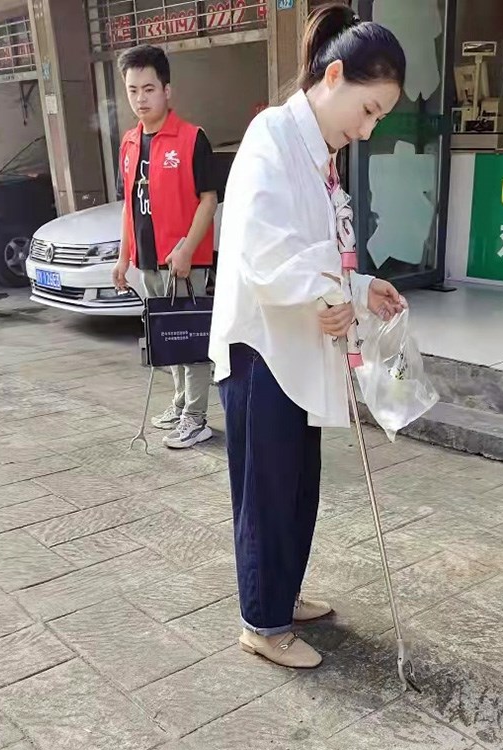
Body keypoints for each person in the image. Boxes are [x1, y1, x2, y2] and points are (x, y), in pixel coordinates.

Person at [210, 3, 406, 670]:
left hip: (295, 348)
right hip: (262, 348)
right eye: (369, 109)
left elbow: (322, 251)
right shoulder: (272, 134)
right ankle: (262, 623)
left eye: (379, 118)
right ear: (336, 76)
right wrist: (329, 295)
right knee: (267, 490)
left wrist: (359, 288)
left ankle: (283, 594)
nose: (368, 128)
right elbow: (262, 250)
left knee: (297, 484)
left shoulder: (320, 155)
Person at [113, 44, 219, 450]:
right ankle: (179, 403)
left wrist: (188, 249)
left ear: (167, 90)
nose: (141, 99)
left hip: (184, 263)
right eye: (133, 90)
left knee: (190, 339)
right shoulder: (129, 143)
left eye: (149, 89)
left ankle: (196, 417)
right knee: (166, 337)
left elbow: (208, 200)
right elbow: (130, 206)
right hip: (149, 261)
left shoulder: (192, 139)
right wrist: (123, 257)